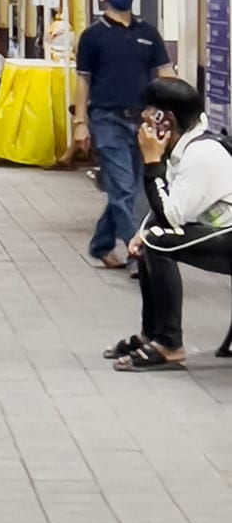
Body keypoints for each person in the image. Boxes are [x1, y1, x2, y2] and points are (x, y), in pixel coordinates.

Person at [106, 78, 232, 372]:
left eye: (150, 111)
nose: (143, 118)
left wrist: (152, 163)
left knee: (157, 240)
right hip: (219, 231)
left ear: (167, 119)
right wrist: (141, 230)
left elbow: (171, 216)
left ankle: (170, 343)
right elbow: (171, 201)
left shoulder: (202, 153)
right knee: (150, 238)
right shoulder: (184, 147)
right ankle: (150, 334)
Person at [73, 0, 173, 272]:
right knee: (124, 188)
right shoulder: (92, 36)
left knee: (131, 189)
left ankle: (102, 244)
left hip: (143, 122)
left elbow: (165, 73)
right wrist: (80, 123)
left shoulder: (148, 33)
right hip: (107, 119)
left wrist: (182, 106)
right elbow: (83, 81)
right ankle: (141, 254)